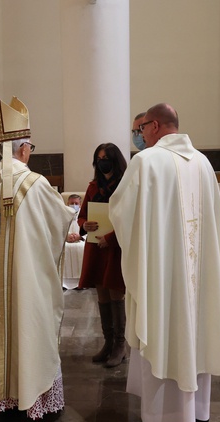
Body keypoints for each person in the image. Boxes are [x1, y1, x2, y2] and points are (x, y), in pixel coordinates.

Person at [110, 103, 220, 422]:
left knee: (165, 332)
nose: (139, 137)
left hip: (163, 279)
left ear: (152, 126)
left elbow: (122, 214)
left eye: (140, 131)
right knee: (195, 336)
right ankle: (197, 414)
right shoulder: (204, 163)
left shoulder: (146, 162)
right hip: (199, 279)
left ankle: (161, 421)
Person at [0, 96, 74, 419]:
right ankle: (31, 397)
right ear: (24, 148)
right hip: (25, 286)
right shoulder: (35, 184)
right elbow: (60, 223)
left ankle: (1, 399)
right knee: (29, 328)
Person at [78, 142, 128, 368]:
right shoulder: (93, 186)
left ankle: (120, 345)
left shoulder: (125, 186)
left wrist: (112, 238)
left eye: (106, 158)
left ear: (115, 160)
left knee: (116, 295)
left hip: (115, 247)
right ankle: (108, 342)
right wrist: (84, 224)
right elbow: (81, 216)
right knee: (102, 296)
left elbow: (130, 219)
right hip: (96, 246)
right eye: (99, 159)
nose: (102, 162)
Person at [63, 194, 85, 290]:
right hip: (65, 241)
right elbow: (57, 228)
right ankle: (63, 282)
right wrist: (65, 236)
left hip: (80, 240)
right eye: (72, 203)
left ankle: (82, 281)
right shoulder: (62, 214)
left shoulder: (84, 215)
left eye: (76, 203)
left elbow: (88, 229)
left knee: (83, 248)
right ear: (67, 204)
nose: (74, 205)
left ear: (80, 205)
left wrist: (80, 236)